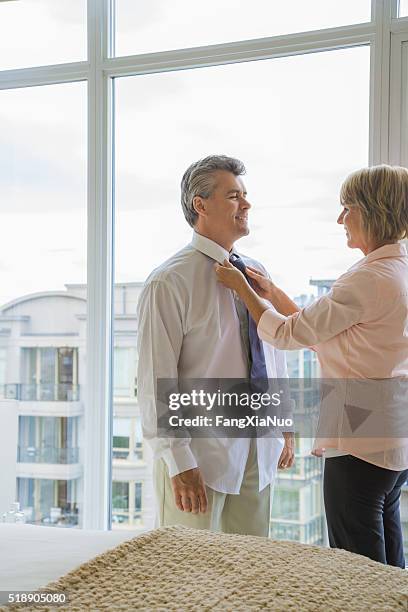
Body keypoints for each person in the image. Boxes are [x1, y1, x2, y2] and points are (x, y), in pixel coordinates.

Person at [215, 164, 408, 567]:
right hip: (393, 435)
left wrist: (242, 290)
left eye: (347, 208)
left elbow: (286, 335)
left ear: (372, 210)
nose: (341, 219)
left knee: (355, 564)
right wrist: (272, 292)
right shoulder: (397, 270)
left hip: (363, 438)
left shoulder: (368, 279)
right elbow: (322, 331)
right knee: (388, 558)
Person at [137, 155, 294, 536]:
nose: (246, 204)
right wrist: (178, 461)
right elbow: (154, 380)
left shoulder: (256, 272)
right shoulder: (169, 282)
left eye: (245, 195)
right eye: (234, 195)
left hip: (258, 450)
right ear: (200, 204)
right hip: (200, 458)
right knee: (189, 581)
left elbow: (274, 353)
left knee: (248, 574)